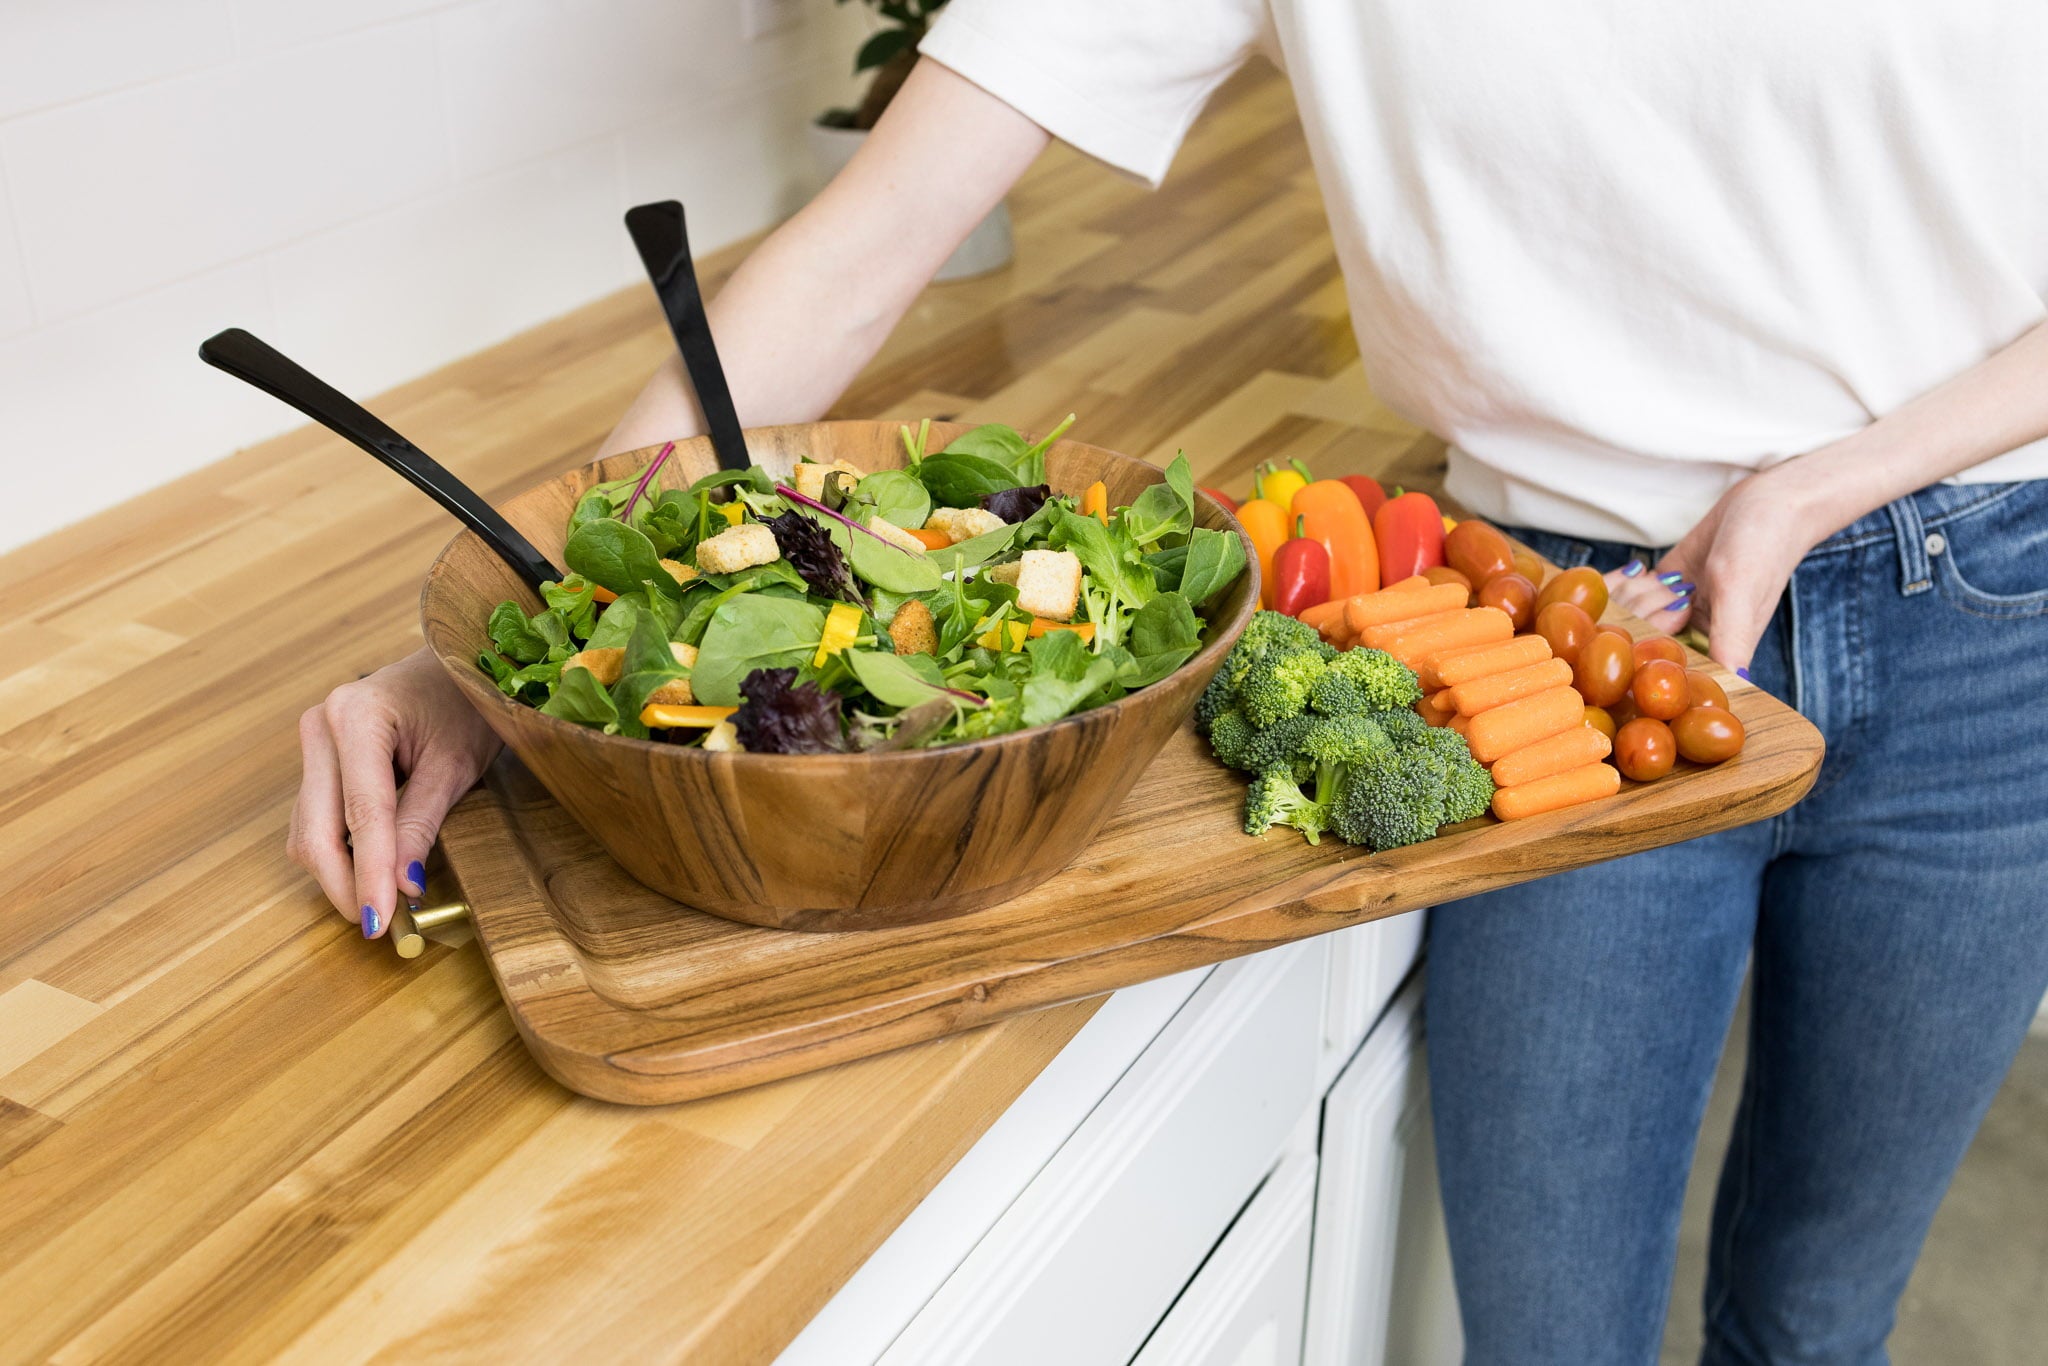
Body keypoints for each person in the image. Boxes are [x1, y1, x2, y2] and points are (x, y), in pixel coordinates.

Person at [289, 3, 2048, 1359]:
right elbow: (868, 239)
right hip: (1549, 637)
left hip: (1997, 606)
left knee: (1818, 1326)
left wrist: (1823, 483)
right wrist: (521, 622)